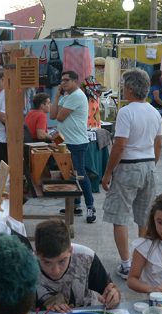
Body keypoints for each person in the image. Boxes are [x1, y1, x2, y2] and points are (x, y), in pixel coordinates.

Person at [101, 68, 162, 279]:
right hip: (148, 166)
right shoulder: (154, 112)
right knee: (144, 217)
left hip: (129, 165)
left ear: (129, 88)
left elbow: (119, 145)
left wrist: (108, 172)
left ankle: (126, 264)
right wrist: (152, 164)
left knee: (120, 216)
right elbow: (158, 144)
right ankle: (140, 263)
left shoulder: (126, 112)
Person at [34, 219, 120, 312]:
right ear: (36, 254)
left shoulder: (86, 258)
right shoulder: (26, 266)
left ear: (70, 251)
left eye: (62, 261)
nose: (56, 271)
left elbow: (109, 288)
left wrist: (114, 296)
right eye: (47, 262)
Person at [51, 70, 95, 223]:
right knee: (69, 175)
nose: (62, 83)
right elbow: (52, 115)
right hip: (64, 141)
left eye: (66, 80)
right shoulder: (66, 96)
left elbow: (60, 116)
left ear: (75, 81)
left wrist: (58, 104)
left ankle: (90, 206)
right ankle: (76, 205)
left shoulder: (76, 95)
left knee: (80, 175)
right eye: (61, 80)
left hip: (76, 143)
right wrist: (57, 96)